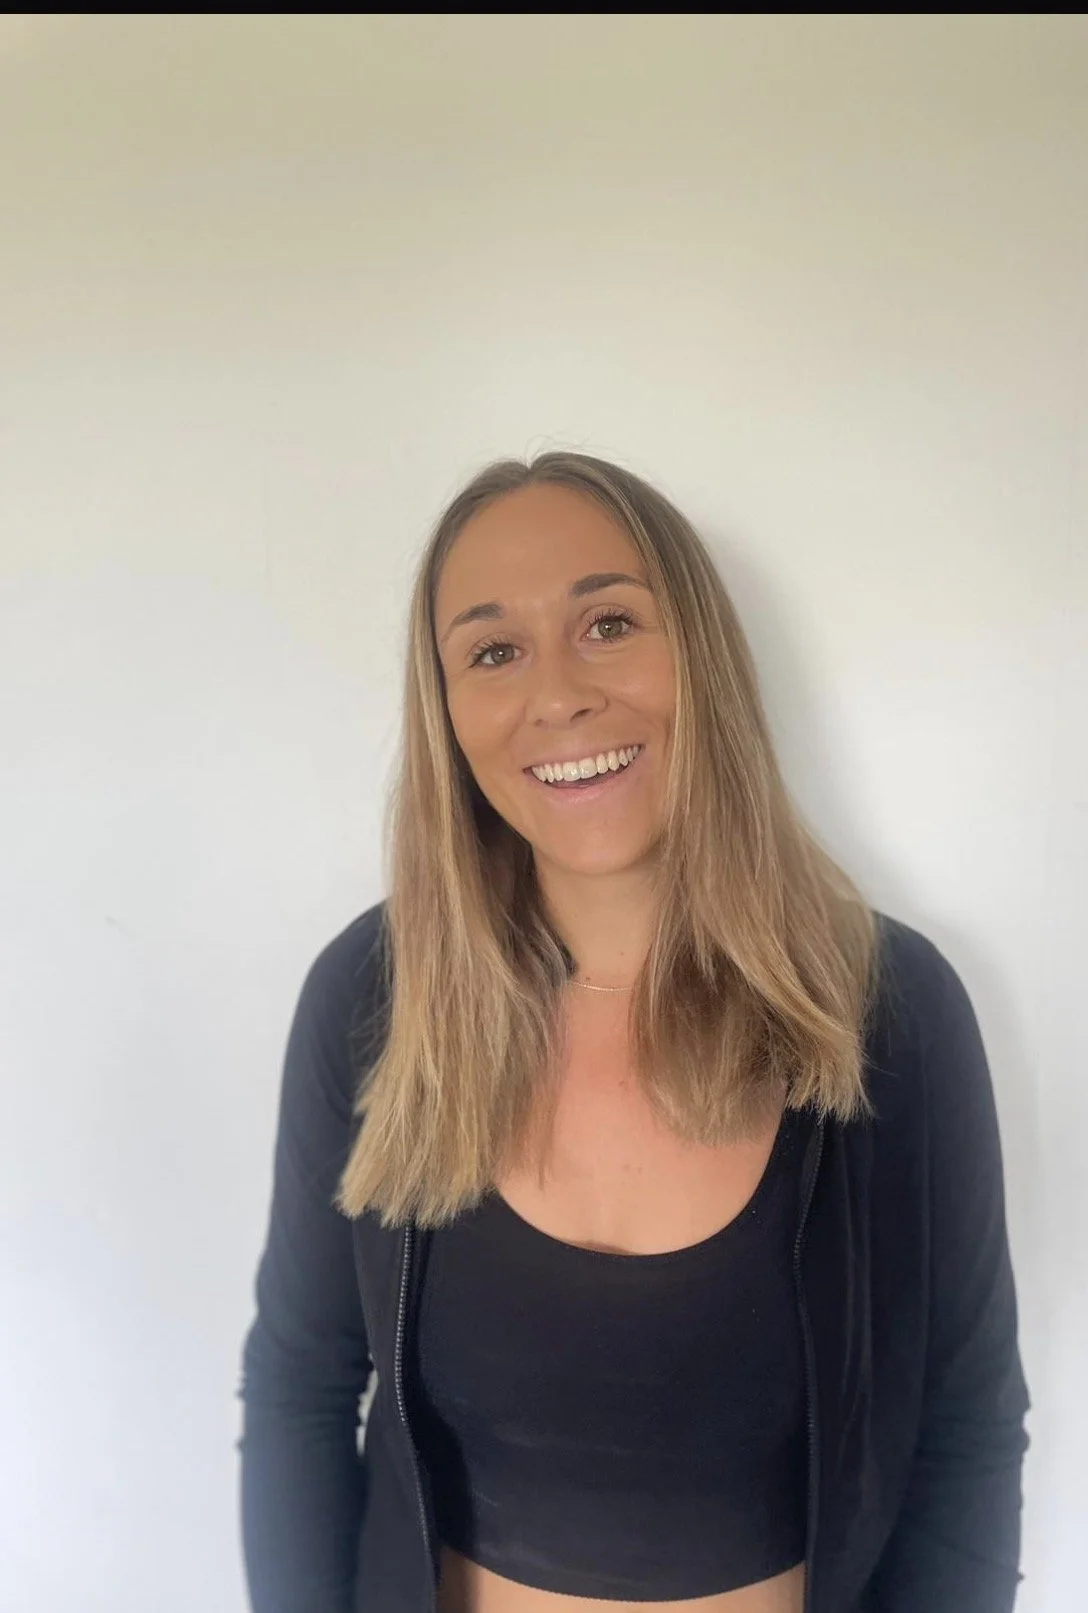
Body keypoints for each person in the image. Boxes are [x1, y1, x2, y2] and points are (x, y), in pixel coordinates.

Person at [238, 452, 1029, 1613]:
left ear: (699, 655)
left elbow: (966, 1430)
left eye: (608, 623)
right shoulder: (373, 995)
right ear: (449, 710)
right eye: (494, 649)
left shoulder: (890, 1011)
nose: (558, 694)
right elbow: (302, 1385)